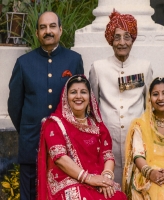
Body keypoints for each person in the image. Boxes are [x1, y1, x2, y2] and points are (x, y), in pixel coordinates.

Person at [8, 11, 84, 199]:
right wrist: (29, 129)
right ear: (37, 33)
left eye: (52, 26)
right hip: (32, 143)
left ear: (60, 29)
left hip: (65, 145)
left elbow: (82, 101)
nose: (47, 31)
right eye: (43, 27)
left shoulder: (74, 60)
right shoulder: (24, 63)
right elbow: (15, 106)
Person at [37, 75, 127, 200]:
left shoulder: (98, 126)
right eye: (73, 92)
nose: (78, 96)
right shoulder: (55, 124)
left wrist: (106, 179)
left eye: (83, 92)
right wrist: (89, 178)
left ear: (89, 97)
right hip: (68, 181)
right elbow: (60, 159)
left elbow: (108, 156)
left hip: (97, 179)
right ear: (65, 97)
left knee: (117, 197)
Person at [89, 10, 153, 184]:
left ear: (133, 39)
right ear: (111, 40)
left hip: (137, 139)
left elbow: (149, 106)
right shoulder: (98, 68)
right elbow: (92, 106)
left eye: (127, 37)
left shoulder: (144, 67)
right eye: (117, 37)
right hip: (107, 141)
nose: (122, 42)